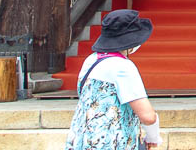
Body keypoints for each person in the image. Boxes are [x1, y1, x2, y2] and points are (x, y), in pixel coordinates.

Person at [65, 9, 162, 150]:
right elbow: (147, 116)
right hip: (112, 142)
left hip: (82, 140)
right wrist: (153, 137)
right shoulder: (123, 67)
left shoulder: (90, 61)